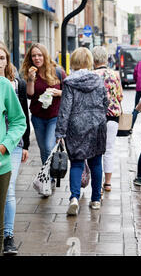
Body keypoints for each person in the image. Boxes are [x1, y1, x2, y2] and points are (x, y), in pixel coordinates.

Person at [55, 47, 109, 216]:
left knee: (77, 163)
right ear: (89, 61)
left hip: (76, 127)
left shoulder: (69, 82)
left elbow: (65, 109)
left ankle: (74, 198)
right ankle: (95, 200)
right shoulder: (99, 80)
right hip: (97, 125)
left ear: (75, 62)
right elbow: (105, 103)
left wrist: (60, 132)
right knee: (96, 164)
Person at [0, 43, 28, 255]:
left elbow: (21, 118)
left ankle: (8, 235)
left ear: (7, 61)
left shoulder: (12, 85)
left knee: (9, 191)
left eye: (2, 58)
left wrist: (9, 145)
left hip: (10, 148)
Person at [21, 43, 65, 170]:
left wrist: (59, 92)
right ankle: (46, 175)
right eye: (34, 56)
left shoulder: (57, 71)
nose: (37, 58)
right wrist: (30, 79)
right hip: (38, 117)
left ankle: (49, 178)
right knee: (43, 150)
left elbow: (69, 91)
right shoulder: (29, 72)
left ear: (45, 56)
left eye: (40, 55)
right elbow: (30, 94)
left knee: (48, 146)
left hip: (54, 116)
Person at [92, 46, 123, 193]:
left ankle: (96, 183)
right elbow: (120, 96)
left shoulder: (91, 75)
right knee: (109, 149)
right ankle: (108, 183)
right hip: (112, 116)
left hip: (94, 117)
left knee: (95, 150)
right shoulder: (114, 75)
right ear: (106, 59)